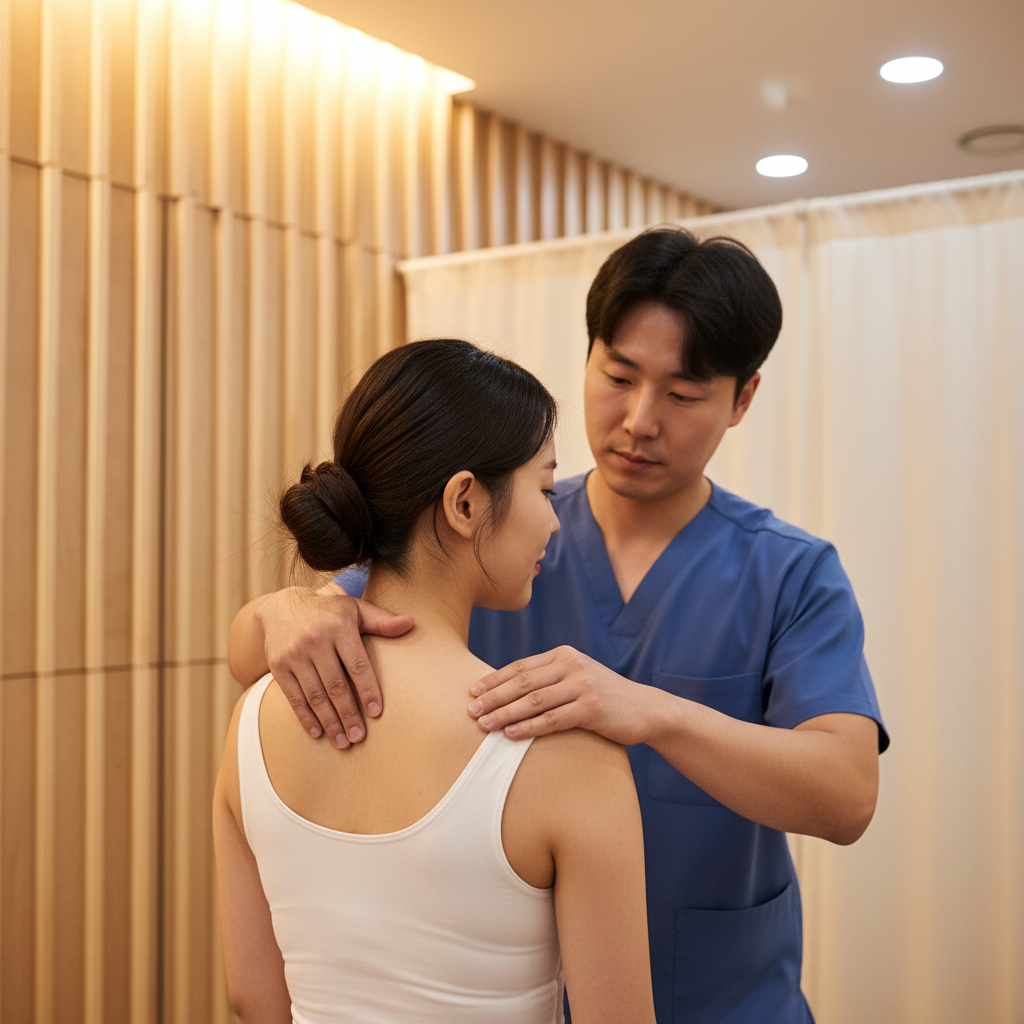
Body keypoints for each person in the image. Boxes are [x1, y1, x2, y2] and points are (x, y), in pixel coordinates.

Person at [228, 228, 889, 1023]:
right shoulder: (502, 537)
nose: (640, 420)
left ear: (742, 398)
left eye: (682, 395)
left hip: (728, 996)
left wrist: (654, 713)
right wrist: (282, 607)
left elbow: (846, 797)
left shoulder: (789, 572)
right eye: (618, 375)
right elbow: (270, 652)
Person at [214, 338, 656, 1024]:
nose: (555, 517)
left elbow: (252, 996)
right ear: (465, 503)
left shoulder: (252, 721)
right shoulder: (568, 757)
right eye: (544, 488)